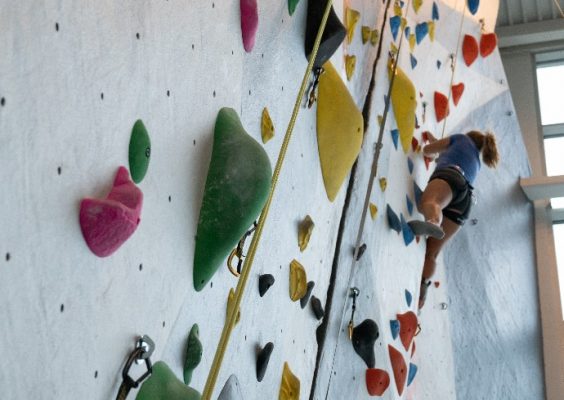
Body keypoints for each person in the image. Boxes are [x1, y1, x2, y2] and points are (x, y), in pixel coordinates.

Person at [408, 130, 500, 309]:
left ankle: (434, 221)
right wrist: (439, 145)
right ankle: (422, 292)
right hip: (465, 201)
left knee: (431, 202)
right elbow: (447, 151)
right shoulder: (476, 162)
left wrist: (431, 145)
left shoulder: (460, 138)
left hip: (450, 176)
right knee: (432, 253)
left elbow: (428, 150)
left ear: (469, 135)